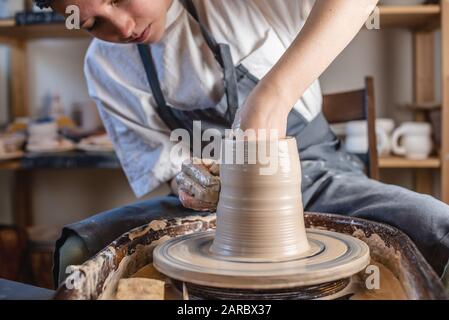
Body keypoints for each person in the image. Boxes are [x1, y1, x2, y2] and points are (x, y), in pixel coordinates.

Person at [36, 0, 449, 290]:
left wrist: (272, 96)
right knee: (80, 250)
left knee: (437, 227)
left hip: (319, 179)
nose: (122, 27)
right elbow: (170, 168)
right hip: (216, 204)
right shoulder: (106, 67)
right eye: (93, 24)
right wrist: (195, 182)